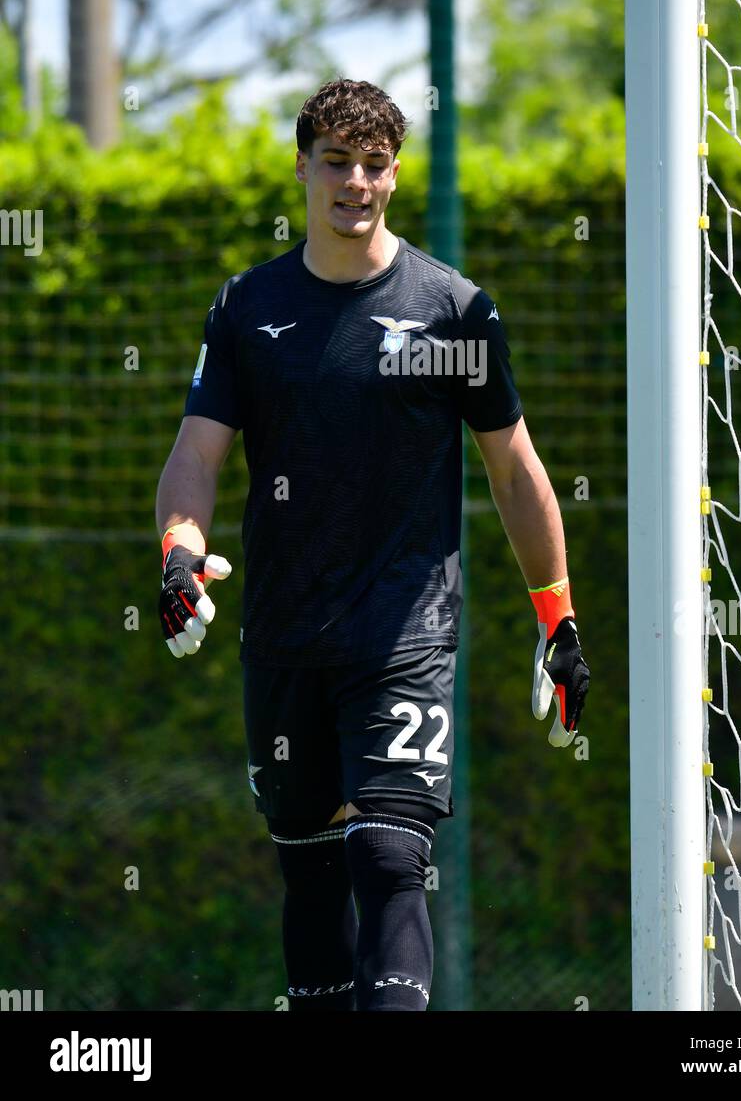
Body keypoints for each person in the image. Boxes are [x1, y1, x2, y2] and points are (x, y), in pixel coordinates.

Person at [155, 76, 590, 1012]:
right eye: (338, 163)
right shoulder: (248, 310)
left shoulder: (452, 314)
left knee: (392, 853)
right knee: (310, 868)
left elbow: (514, 471)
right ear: (304, 170)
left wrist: (557, 619)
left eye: (376, 165)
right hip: (282, 632)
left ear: (396, 173)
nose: (357, 183)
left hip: (404, 633)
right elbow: (196, 454)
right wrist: (179, 553)